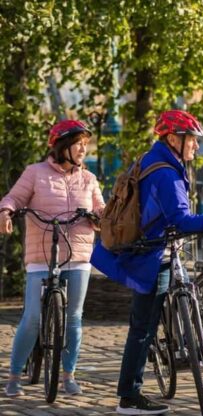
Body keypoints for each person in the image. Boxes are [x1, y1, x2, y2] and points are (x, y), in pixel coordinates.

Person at [91, 109, 203, 415]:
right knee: (143, 328)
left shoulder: (151, 159)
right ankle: (129, 396)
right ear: (173, 138)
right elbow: (181, 219)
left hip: (147, 249)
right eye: (192, 141)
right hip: (150, 255)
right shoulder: (166, 171)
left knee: (145, 322)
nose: (196, 147)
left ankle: (166, 358)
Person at [1, 120, 105, 397]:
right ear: (62, 146)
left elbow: (102, 210)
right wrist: (6, 212)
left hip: (79, 256)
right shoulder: (35, 173)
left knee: (73, 318)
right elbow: (13, 198)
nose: (84, 148)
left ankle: (68, 375)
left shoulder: (89, 179)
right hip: (42, 256)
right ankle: (14, 376)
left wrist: (100, 218)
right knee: (33, 317)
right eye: (78, 143)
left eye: (86, 143)